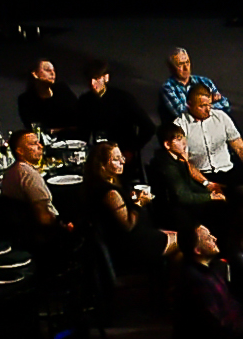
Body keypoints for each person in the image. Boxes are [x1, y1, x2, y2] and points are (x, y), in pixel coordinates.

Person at [167, 226, 243, 339]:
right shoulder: (195, 279)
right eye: (208, 238)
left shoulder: (211, 270)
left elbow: (230, 302)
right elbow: (217, 326)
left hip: (230, 333)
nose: (214, 238)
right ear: (197, 250)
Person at [79, 141, 175, 271]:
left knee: (178, 237)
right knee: (185, 241)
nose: (123, 162)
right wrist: (140, 203)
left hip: (133, 236)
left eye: (122, 157)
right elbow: (128, 225)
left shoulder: (105, 182)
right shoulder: (110, 193)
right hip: (128, 246)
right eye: (116, 159)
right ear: (102, 165)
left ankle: (169, 279)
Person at [177, 84, 243, 206]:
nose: (207, 109)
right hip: (202, 175)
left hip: (227, 171)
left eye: (209, 105)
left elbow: (240, 147)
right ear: (189, 105)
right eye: (202, 106)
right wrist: (207, 183)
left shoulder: (221, 117)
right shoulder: (180, 125)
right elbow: (184, 162)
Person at [147, 122, 225, 246]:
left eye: (183, 138)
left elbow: (189, 185)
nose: (184, 143)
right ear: (167, 144)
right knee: (218, 211)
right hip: (173, 212)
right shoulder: (166, 166)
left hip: (182, 207)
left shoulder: (177, 160)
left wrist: (211, 192)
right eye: (178, 139)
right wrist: (210, 197)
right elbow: (181, 196)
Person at [0, 128, 60, 241]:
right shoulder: (29, 175)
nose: (40, 146)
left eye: (39, 142)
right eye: (34, 144)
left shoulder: (11, 172)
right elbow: (43, 217)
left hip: (22, 234)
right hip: (42, 237)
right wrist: (62, 229)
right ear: (20, 151)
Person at [76, 62, 152, 158]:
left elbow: (148, 127)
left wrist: (131, 150)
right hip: (99, 153)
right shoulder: (85, 100)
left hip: (122, 152)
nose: (92, 83)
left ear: (106, 78)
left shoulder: (123, 99)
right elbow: (82, 129)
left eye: (96, 78)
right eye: (89, 79)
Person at [161, 46, 230, 122]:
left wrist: (201, 107)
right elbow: (181, 113)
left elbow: (225, 104)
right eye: (180, 64)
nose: (186, 68)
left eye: (187, 62)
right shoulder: (168, 88)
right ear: (171, 68)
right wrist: (209, 102)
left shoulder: (205, 81)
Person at [16, 58, 78, 136]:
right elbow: (32, 127)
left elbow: (79, 116)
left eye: (54, 70)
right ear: (35, 74)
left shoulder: (63, 90)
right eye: (47, 70)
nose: (52, 73)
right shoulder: (25, 100)